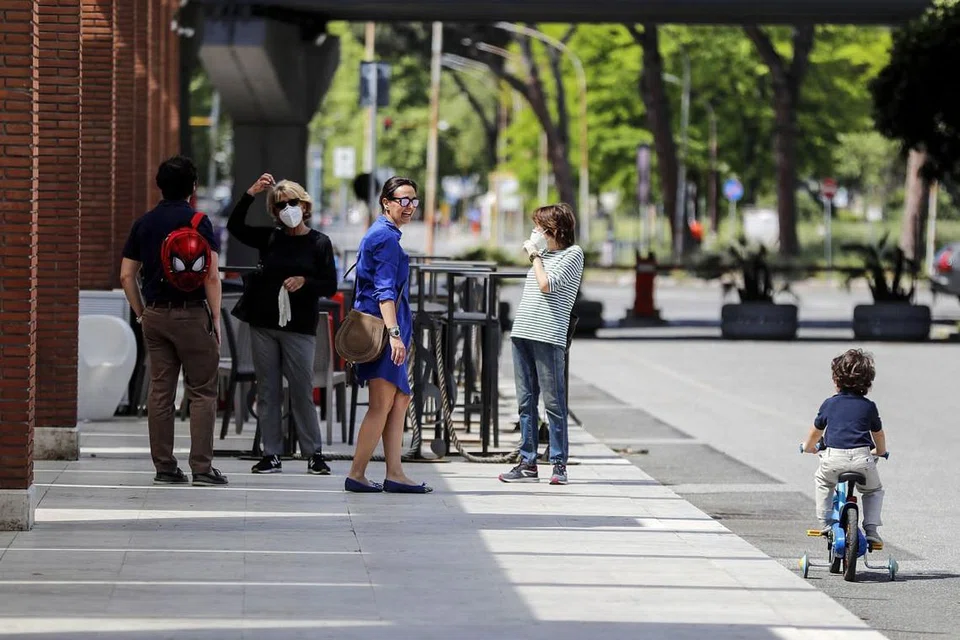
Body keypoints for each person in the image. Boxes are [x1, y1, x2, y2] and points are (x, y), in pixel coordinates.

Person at [120, 155, 228, 486]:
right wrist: (215, 318)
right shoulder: (199, 222)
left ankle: (165, 467)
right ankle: (202, 467)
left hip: (155, 314)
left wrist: (141, 312)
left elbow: (126, 275)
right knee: (202, 392)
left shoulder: (144, 224)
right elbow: (210, 276)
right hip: (194, 315)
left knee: (160, 392)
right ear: (193, 188)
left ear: (159, 186)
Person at [228, 174, 339, 475]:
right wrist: (250, 193)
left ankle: (313, 453)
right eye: (280, 206)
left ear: (304, 205)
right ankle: (271, 453)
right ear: (274, 212)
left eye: (293, 203)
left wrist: (305, 281)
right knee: (268, 390)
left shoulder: (319, 242)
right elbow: (235, 227)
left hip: (300, 326)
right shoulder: (271, 237)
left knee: (302, 389)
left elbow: (330, 284)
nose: (288, 209)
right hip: (264, 322)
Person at [345, 176, 432, 494]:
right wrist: (395, 335)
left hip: (388, 331)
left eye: (414, 201)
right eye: (403, 200)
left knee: (399, 398)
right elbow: (383, 292)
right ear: (386, 202)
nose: (409, 207)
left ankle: (394, 472)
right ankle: (357, 473)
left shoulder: (385, 235)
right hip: (383, 333)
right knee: (382, 402)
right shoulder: (384, 238)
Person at [499, 203, 584, 486]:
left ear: (552, 230)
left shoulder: (573, 255)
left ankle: (559, 463)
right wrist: (538, 254)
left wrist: (535, 254)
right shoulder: (543, 255)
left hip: (548, 337)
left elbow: (547, 284)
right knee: (525, 402)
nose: (534, 232)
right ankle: (527, 462)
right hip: (523, 332)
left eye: (538, 227)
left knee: (554, 403)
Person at [801, 348, 887, 545]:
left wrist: (808, 447)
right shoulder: (869, 406)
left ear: (836, 381)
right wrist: (880, 451)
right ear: (868, 383)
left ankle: (826, 522)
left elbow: (816, 431)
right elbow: (878, 434)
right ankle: (871, 528)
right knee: (873, 490)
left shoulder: (829, 404)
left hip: (833, 459)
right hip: (862, 459)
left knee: (823, 481)